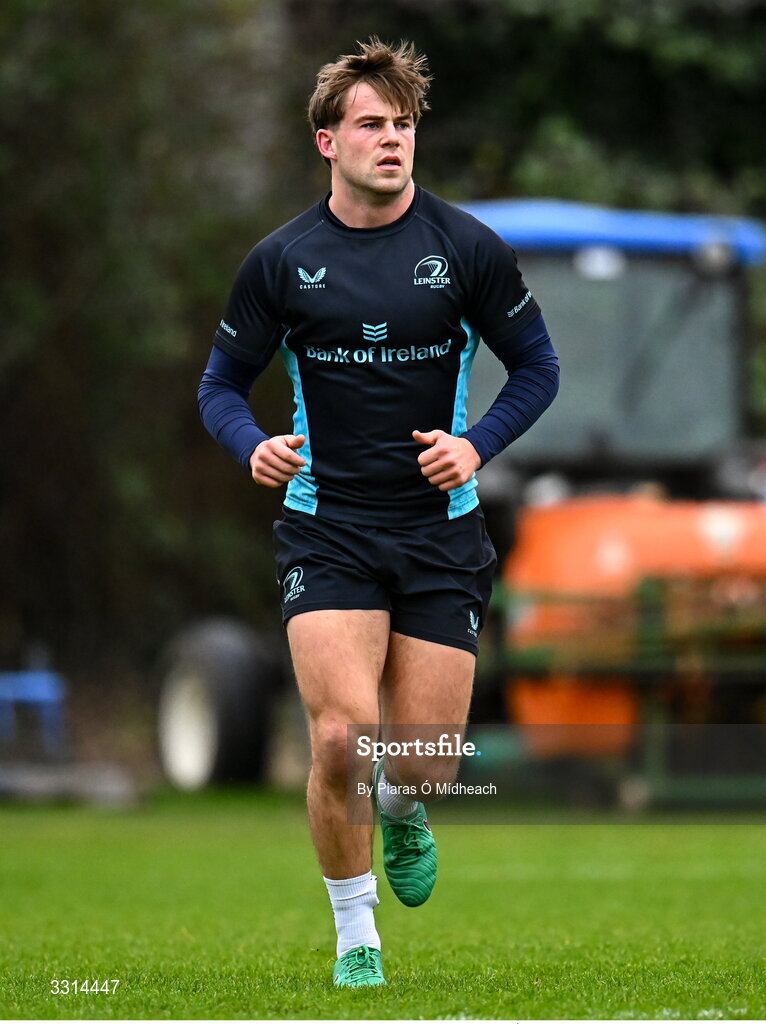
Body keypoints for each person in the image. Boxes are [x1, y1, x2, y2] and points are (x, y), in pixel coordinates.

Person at [198, 37, 559, 989]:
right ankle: (356, 936)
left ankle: (405, 808)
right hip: (327, 526)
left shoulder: (466, 248)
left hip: (442, 532)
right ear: (328, 142)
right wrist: (251, 444)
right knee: (339, 737)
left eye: (402, 124)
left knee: (424, 766)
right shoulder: (281, 262)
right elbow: (221, 385)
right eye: (371, 124)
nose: (391, 139)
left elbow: (539, 368)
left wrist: (475, 445)